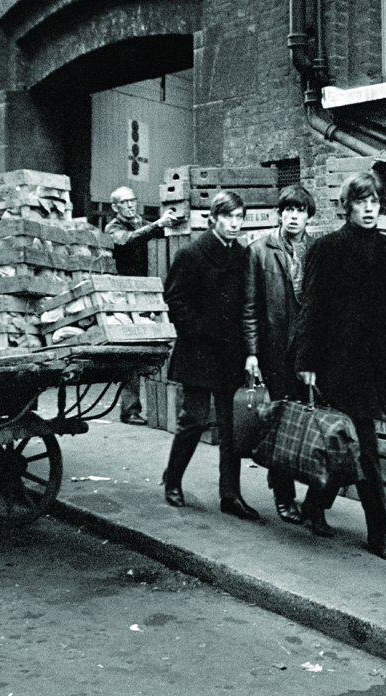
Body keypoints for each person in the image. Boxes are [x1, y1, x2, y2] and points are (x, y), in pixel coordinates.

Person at [293, 171, 386, 562]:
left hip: (374, 364)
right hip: (337, 363)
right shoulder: (327, 249)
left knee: (344, 444)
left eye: (374, 202)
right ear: (347, 207)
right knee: (366, 449)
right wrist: (307, 361)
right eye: (361, 202)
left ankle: (313, 505)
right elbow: (312, 308)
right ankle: (380, 532)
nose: (369, 209)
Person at [161, 191, 260, 521]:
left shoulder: (242, 256)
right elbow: (175, 300)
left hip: (230, 355)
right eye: (228, 217)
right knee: (195, 420)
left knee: (232, 428)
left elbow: (248, 306)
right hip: (198, 354)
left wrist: (249, 352)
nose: (234, 223)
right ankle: (172, 480)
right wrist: (196, 334)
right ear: (214, 219)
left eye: (239, 217)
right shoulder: (191, 254)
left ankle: (230, 495)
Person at [242, 184, 318, 525]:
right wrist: (253, 353)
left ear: (308, 215)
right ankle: (284, 496)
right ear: (280, 214)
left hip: (307, 351)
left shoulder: (317, 249)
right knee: (281, 421)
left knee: (310, 421)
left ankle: (313, 499)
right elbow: (249, 307)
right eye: (288, 210)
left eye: (300, 211)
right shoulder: (259, 250)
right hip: (274, 351)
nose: (293, 217)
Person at [106, 186, 180, 425]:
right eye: (124, 202)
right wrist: (159, 224)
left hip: (151, 292)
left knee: (154, 345)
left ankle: (162, 407)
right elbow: (128, 241)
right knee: (133, 348)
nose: (130, 205)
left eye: (132, 200)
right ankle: (130, 409)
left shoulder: (143, 223)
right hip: (126, 296)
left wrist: (170, 221)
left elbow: (155, 233)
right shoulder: (113, 228)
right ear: (115, 207)